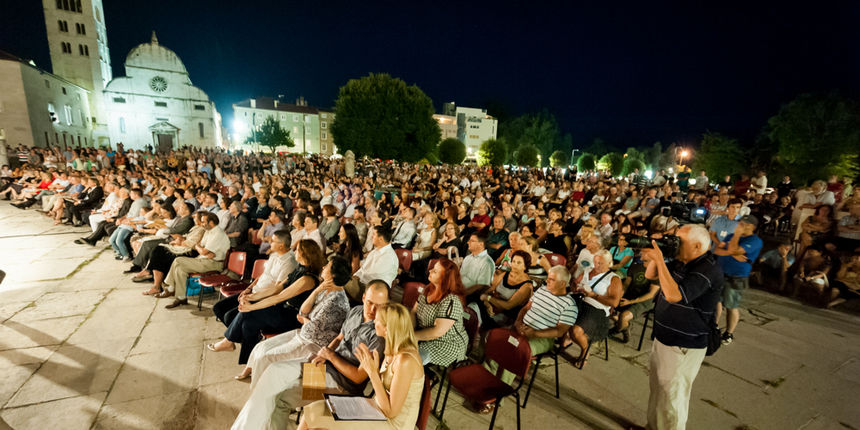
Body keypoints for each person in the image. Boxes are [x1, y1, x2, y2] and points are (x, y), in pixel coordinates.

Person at [230, 280, 390, 430]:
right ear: (363, 298)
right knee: (273, 371)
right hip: (325, 369)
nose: (373, 310)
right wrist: (324, 353)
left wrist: (330, 356)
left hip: (341, 386)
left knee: (280, 398)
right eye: (370, 303)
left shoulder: (379, 335)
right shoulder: (356, 311)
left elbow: (358, 378)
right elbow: (339, 337)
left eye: (379, 305)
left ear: (387, 305)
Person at [640, 224, 724, 430]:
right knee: (658, 391)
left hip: (683, 345)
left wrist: (660, 258)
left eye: (679, 241)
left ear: (697, 246)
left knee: (672, 399)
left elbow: (674, 295)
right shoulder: (682, 262)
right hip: (664, 337)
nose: (674, 244)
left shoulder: (707, 269)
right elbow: (651, 276)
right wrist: (655, 256)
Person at [297, 303, 425, 430]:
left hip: (392, 422)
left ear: (387, 328)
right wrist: (326, 355)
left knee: (318, 420)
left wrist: (372, 373)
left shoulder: (405, 360)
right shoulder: (389, 346)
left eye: (378, 319)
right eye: (369, 301)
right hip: (374, 405)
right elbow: (339, 338)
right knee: (313, 409)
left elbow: (390, 412)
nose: (374, 321)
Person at [228, 257, 351, 387]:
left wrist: (305, 319)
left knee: (266, 357)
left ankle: (260, 391)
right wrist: (316, 292)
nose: (323, 267)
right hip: (304, 334)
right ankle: (257, 380)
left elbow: (310, 328)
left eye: (327, 266)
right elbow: (303, 311)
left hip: (314, 343)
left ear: (333, 275)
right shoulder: (324, 291)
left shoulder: (336, 302)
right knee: (260, 347)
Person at [216, 239, 326, 364]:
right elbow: (276, 288)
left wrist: (252, 307)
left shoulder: (307, 278)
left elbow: (280, 296)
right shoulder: (300, 269)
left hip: (292, 316)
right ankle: (249, 363)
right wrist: (251, 297)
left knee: (248, 313)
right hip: (282, 309)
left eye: (297, 249)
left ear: (304, 253)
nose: (294, 251)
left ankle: (229, 341)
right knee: (248, 323)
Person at [212, 230, 297, 331]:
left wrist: (252, 297)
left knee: (229, 316)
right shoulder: (274, 255)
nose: (270, 242)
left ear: (281, 245)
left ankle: (240, 337)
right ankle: (239, 336)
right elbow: (262, 275)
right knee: (218, 308)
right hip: (254, 291)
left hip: (263, 297)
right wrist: (248, 289)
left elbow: (277, 289)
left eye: (273, 241)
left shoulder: (289, 262)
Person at [160, 211, 232, 308]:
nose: (201, 224)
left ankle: (171, 287)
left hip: (214, 263)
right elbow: (200, 247)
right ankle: (181, 297)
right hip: (205, 260)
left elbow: (203, 251)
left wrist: (203, 250)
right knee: (180, 269)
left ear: (211, 222)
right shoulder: (208, 232)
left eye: (203, 222)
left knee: (178, 260)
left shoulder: (218, 233)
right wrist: (202, 249)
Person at [713, 215, 762, 345]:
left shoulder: (755, 240)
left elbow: (736, 249)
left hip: (736, 276)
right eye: (740, 223)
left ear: (752, 227)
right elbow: (718, 250)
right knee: (716, 301)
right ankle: (714, 326)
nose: (739, 226)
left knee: (731, 305)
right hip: (720, 273)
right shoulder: (730, 236)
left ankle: (729, 333)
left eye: (743, 224)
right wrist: (733, 253)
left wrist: (733, 244)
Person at [570, 249, 623, 367]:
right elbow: (574, 282)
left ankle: (585, 350)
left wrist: (594, 296)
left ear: (609, 263)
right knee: (561, 318)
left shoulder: (613, 279)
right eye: (595, 262)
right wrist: (575, 287)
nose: (596, 265)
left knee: (576, 330)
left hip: (597, 309)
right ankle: (564, 340)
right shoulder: (588, 270)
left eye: (600, 263)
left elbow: (614, 302)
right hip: (580, 301)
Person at [412, 258, 468, 366]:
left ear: (445, 278)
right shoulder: (428, 289)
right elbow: (413, 312)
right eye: (432, 269)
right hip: (424, 335)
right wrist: (410, 329)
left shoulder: (451, 300)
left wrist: (413, 336)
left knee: (410, 359)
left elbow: (438, 332)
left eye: (435, 271)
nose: (430, 271)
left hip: (445, 344)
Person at [514, 265, 578, 356]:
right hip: (522, 328)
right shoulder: (542, 290)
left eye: (551, 279)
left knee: (517, 350)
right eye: (548, 278)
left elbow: (560, 331)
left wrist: (535, 333)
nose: (546, 281)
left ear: (562, 284)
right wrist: (518, 321)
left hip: (542, 338)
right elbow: (525, 308)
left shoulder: (569, 305)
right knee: (498, 341)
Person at [478, 250, 533, 328]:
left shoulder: (526, 286)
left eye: (519, 263)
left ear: (525, 266)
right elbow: (489, 290)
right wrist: (486, 303)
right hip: (493, 307)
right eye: (513, 261)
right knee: (473, 309)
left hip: (507, 315)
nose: (514, 264)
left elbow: (508, 306)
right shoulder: (505, 274)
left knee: (479, 320)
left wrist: (488, 298)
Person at [460, 232, 496, 297]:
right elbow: (460, 276)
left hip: (470, 296)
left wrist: (462, 294)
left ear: (481, 244)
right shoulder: (468, 258)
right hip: (458, 290)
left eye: (472, 241)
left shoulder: (487, 262)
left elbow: (481, 287)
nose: (468, 242)